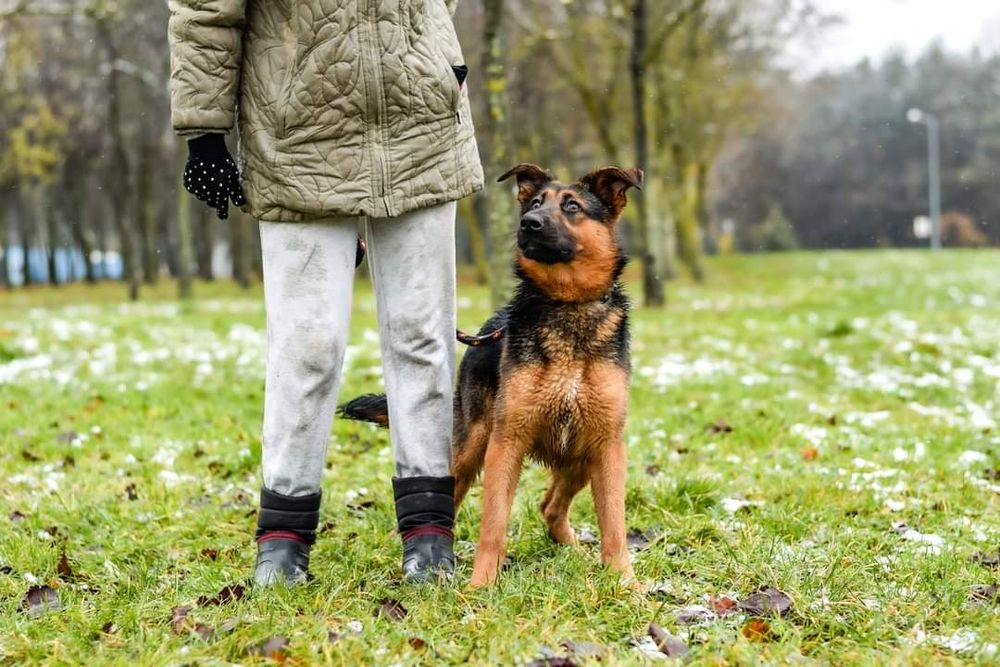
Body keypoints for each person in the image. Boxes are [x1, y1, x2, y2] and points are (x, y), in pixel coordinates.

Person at [167, 0, 484, 586]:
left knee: (422, 335)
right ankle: (283, 540)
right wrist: (204, 130)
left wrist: (429, 54)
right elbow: (205, 11)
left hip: (421, 124)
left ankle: (429, 535)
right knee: (307, 347)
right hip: (297, 137)